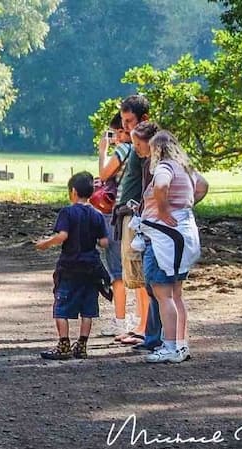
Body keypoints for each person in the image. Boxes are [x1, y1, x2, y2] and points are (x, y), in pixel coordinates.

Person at [130, 125, 205, 363]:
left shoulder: (164, 167)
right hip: (183, 235)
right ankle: (181, 344)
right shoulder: (186, 169)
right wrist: (184, 206)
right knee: (176, 294)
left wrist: (162, 210)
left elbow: (161, 185)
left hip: (164, 238)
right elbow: (202, 186)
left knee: (164, 295)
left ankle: (170, 345)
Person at [35, 172, 110, 360]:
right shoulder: (97, 215)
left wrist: (45, 243)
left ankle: (64, 344)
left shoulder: (67, 212)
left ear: (73, 192)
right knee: (87, 308)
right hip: (91, 267)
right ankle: (82, 344)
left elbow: (63, 236)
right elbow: (103, 242)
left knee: (61, 306)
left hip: (69, 266)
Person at [115, 95, 159, 351]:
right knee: (133, 274)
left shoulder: (146, 146)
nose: (127, 126)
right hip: (129, 215)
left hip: (137, 216)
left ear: (144, 119)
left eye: (130, 121)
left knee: (140, 273)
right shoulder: (135, 144)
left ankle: (145, 328)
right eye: (124, 121)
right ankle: (142, 324)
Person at [97, 113, 134, 339]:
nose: (118, 136)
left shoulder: (123, 151)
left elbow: (103, 175)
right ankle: (133, 318)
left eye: (121, 131)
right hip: (129, 212)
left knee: (116, 271)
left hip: (114, 214)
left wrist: (102, 151)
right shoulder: (139, 151)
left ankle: (120, 319)